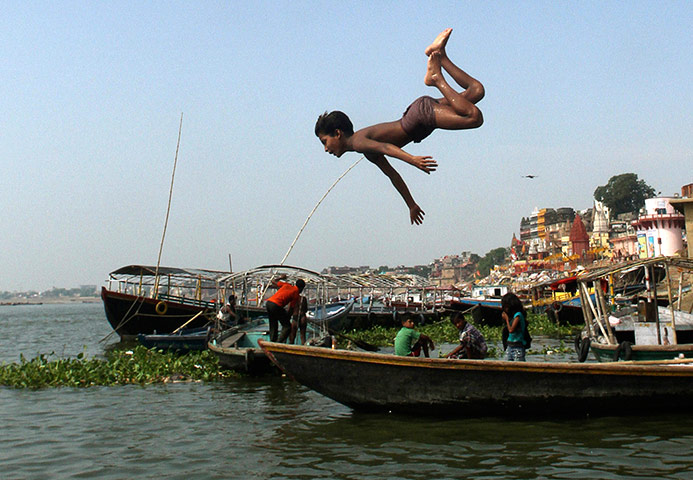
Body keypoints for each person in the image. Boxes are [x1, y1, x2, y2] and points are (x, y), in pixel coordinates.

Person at [315, 28, 484, 225]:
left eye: (325, 142)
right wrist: (411, 204)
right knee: (476, 91)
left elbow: (387, 148)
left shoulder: (359, 142)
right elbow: (392, 175)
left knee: (474, 117)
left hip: (421, 117)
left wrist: (412, 160)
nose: (326, 149)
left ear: (338, 133)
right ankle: (439, 55)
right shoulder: (364, 148)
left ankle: (436, 79)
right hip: (420, 113)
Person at [265, 276, 306, 343]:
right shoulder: (296, 293)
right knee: (287, 327)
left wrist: (281, 277)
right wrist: (287, 317)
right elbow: (291, 308)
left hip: (269, 303)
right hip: (276, 305)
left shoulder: (287, 285)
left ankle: (272, 341)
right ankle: (278, 343)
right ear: (301, 288)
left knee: (273, 323)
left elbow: (273, 281)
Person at [502, 292, 528, 361]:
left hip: (517, 348)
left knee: (518, 368)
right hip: (510, 346)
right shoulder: (512, 316)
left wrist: (506, 319)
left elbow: (511, 330)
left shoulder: (518, 315)